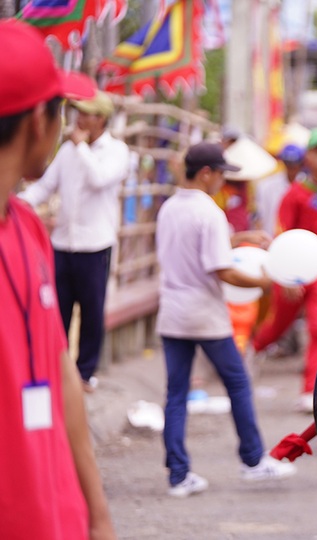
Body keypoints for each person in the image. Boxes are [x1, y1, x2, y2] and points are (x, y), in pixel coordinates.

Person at [0, 20, 116, 539]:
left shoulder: (24, 225)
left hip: (57, 516)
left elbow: (59, 372)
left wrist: (96, 513)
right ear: (39, 123)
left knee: (85, 326)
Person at [156, 142, 296, 497]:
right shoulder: (208, 211)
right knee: (237, 382)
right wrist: (268, 281)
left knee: (176, 394)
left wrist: (242, 238)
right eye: (221, 175)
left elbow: (198, 246)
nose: (223, 182)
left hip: (172, 312)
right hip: (204, 314)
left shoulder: (170, 207)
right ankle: (252, 459)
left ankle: (178, 474)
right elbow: (223, 270)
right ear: (206, 174)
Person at [19, 89, 130, 391]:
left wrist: (81, 148)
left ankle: (84, 374)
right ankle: (58, 369)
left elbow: (99, 179)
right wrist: (15, 203)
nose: (79, 118)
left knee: (92, 311)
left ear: (102, 119)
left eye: (87, 113)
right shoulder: (67, 152)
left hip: (95, 245)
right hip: (63, 243)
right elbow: (44, 187)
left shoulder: (117, 151)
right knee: (58, 309)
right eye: (78, 112)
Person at [249, 127, 317, 412]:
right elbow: (282, 233)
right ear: (308, 157)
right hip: (294, 271)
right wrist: (286, 274)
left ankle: (310, 391)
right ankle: (249, 352)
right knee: (277, 327)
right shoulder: (294, 195)